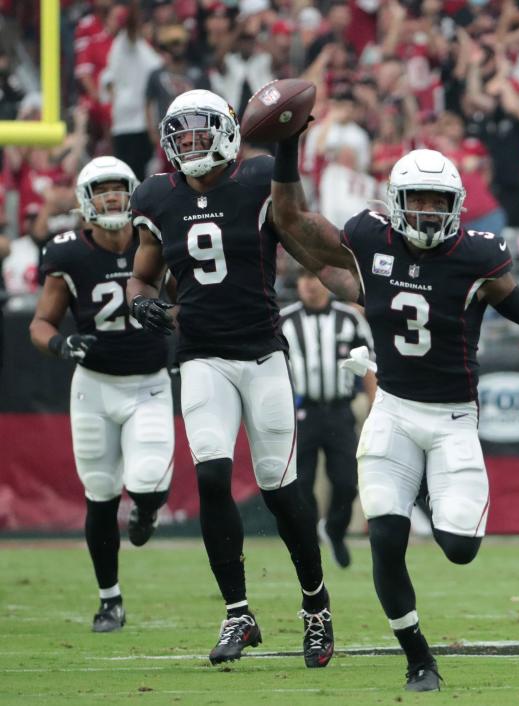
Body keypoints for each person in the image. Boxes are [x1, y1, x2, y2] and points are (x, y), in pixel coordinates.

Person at [268, 132, 519, 691]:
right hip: (392, 410)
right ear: (396, 202)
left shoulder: (475, 258)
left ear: (456, 207)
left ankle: (424, 490)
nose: (426, 211)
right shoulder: (369, 241)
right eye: (417, 199)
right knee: (386, 539)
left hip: (452, 420)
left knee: (460, 548)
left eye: (438, 202)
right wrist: (287, 144)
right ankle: (418, 657)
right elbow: (296, 226)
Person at [124, 89, 333, 668]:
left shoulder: (258, 178)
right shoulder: (155, 197)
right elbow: (142, 276)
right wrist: (139, 300)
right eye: (180, 134)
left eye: (199, 132)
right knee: (212, 475)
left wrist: (290, 144)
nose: (189, 143)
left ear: (225, 133)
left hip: (263, 353)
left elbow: (296, 217)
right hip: (201, 356)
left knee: (279, 489)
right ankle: (238, 612)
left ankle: (316, 606)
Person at [28, 156, 174, 633]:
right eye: (102, 190)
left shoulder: (154, 238)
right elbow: (41, 322)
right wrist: (60, 343)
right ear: (85, 201)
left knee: (149, 481)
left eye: (118, 189)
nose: (112, 198)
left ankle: (149, 510)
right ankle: (110, 600)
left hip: (149, 381)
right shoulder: (68, 252)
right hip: (93, 386)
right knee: (101, 494)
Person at [280, 269, 376, 568]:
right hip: (301, 412)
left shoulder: (350, 318)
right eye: (304, 278)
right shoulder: (284, 320)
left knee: (347, 481)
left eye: (315, 278)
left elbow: (369, 365)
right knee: (302, 483)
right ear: (297, 283)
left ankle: (335, 529)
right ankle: (310, 540)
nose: (310, 284)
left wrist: (376, 407)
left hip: (339, 410)